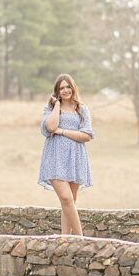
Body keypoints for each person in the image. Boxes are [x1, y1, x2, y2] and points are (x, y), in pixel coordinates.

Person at [37, 73, 94, 236]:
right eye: (61, 88)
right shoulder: (49, 109)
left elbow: (87, 135)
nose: (65, 90)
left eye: (68, 86)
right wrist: (56, 106)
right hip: (55, 159)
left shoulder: (82, 109)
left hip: (75, 158)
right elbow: (50, 127)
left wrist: (62, 131)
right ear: (57, 91)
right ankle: (80, 238)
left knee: (69, 202)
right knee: (66, 199)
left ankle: (65, 239)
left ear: (73, 87)